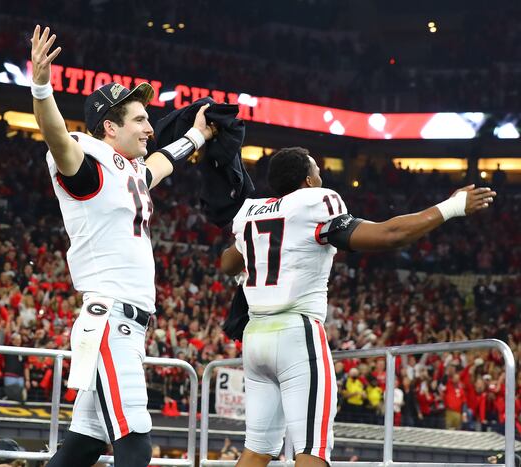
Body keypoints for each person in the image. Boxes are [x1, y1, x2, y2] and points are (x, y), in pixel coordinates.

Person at [220, 147, 496, 467]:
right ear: (309, 181)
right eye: (318, 170)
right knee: (313, 449)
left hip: (255, 338)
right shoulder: (316, 201)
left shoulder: (252, 211)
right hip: (295, 333)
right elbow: (390, 234)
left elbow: (227, 263)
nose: (322, 176)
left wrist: (255, 253)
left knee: (257, 449)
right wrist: (452, 207)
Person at [29, 25, 215, 467]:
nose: (150, 127)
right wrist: (41, 85)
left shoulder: (126, 170)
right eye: (139, 119)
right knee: (136, 443)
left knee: (84, 445)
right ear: (109, 126)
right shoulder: (86, 159)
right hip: (111, 318)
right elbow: (57, 137)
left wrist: (200, 136)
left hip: (125, 324)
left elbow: (160, 164)